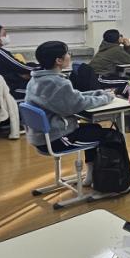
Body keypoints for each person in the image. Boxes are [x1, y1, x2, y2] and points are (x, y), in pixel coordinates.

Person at [24, 41, 117, 187]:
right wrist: (106, 98)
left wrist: (98, 93)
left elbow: (73, 97)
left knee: (94, 129)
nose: (70, 56)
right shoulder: (57, 83)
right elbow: (77, 105)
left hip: (41, 137)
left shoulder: (37, 79)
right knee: (111, 136)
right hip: (56, 139)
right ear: (58, 60)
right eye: (67, 53)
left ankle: (91, 174)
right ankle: (113, 180)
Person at [0, 24, 35, 96]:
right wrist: (44, 66)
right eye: (4, 35)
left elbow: (15, 66)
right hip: (12, 89)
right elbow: (23, 67)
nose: (7, 37)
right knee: (42, 92)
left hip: (6, 88)